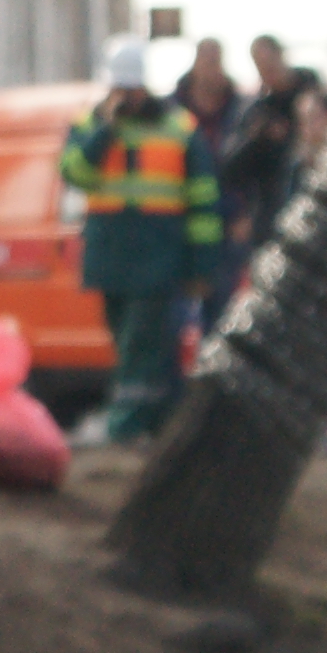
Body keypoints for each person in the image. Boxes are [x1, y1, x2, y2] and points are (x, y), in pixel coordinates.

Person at [59, 42, 224, 444]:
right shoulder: (89, 125)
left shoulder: (179, 127)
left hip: (157, 258)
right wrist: (106, 130)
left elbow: (203, 200)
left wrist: (202, 266)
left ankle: (126, 425)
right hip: (111, 259)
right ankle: (160, 421)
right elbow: (75, 175)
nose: (127, 98)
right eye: (120, 90)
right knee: (132, 345)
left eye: (132, 90)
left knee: (140, 346)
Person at [211, 48, 310, 329]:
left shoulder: (311, 96)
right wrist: (257, 138)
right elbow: (230, 171)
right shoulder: (259, 112)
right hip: (270, 225)